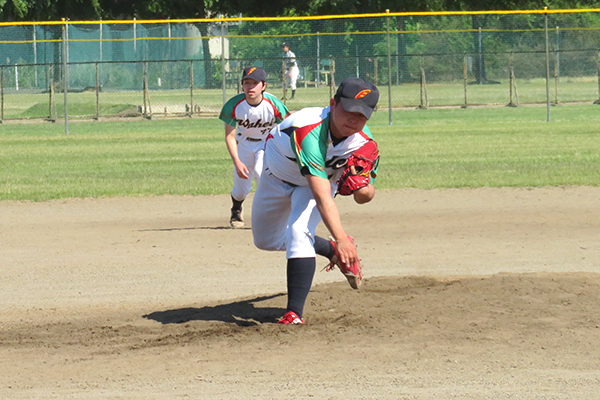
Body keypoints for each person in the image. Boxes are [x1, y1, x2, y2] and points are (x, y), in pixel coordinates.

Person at [251, 77, 379, 324]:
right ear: (333, 104)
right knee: (265, 240)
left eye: (362, 115)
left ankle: (293, 314)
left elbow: (365, 196)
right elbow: (322, 196)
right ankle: (330, 249)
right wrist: (340, 239)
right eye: (349, 110)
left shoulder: (364, 142)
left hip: (314, 184)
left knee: (299, 231)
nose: (354, 119)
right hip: (275, 177)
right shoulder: (308, 127)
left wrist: (360, 187)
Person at [219, 66, 290, 228]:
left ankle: (269, 214)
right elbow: (229, 136)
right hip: (243, 144)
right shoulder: (234, 104)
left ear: (263, 86)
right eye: (246, 83)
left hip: (267, 144)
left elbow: (289, 129)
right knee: (241, 188)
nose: (250, 87)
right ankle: (236, 209)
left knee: (260, 172)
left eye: (254, 83)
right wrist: (237, 160)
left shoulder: (273, 104)